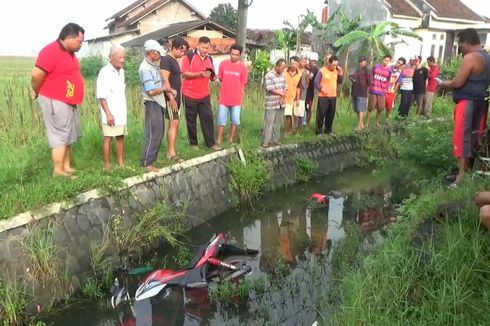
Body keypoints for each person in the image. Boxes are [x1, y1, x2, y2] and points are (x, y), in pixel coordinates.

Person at [31, 23, 85, 178]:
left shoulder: (70, 53)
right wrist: (36, 91)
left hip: (68, 101)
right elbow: (36, 76)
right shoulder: (50, 51)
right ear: (68, 37)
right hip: (55, 100)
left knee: (68, 133)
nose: (80, 45)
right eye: (79, 42)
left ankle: (66, 167)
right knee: (60, 134)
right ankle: (58, 170)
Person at [439, 28, 490, 186]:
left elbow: (458, 82)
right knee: (472, 137)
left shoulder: (471, 57)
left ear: (466, 43)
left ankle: (460, 179)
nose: (460, 49)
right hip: (480, 101)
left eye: (460, 46)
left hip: (468, 103)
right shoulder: (486, 57)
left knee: (463, 138)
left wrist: (443, 84)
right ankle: (463, 172)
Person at [181, 36, 220, 151]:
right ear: (198, 45)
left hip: (204, 94)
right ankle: (193, 144)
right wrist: (199, 74)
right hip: (189, 94)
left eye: (207, 48)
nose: (205, 50)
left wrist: (213, 77)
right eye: (203, 48)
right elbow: (184, 74)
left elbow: (211, 74)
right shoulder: (189, 57)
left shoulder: (210, 59)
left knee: (207, 119)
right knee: (191, 121)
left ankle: (211, 143)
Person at [139, 39, 168, 173]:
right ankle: (147, 163)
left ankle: (152, 159)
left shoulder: (153, 66)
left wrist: (166, 89)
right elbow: (151, 91)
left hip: (158, 102)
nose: (159, 56)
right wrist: (164, 88)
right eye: (157, 53)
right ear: (151, 53)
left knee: (159, 132)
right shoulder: (145, 68)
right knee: (153, 134)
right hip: (152, 103)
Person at [96, 45, 127, 171]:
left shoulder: (122, 71)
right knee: (108, 138)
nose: (122, 60)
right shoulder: (105, 72)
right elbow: (101, 96)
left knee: (120, 137)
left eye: (124, 57)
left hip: (121, 111)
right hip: (110, 112)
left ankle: (121, 163)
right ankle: (107, 165)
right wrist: (108, 114)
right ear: (111, 57)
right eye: (120, 57)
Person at [160, 37, 189, 163]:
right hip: (171, 98)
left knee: (175, 123)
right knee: (174, 123)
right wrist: (171, 98)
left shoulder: (174, 60)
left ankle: (170, 150)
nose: (183, 54)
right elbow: (165, 80)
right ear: (175, 48)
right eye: (182, 51)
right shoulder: (166, 60)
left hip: (177, 97)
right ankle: (171, 153)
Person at [216, 44, 248, 146]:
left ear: (240, 55)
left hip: (236, 100)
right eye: (232, 54)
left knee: (234, 120)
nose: (234, 56)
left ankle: (230, 140)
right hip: (224, 98)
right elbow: (220, 79)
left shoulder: (243, 68)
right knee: (221, 120)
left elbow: (243, 83)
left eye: (236, 55)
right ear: (230, 53)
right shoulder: (223, 64)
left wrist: (239, 94)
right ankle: (219, 140)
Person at [314, 55, 343, 137]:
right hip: (323, 96)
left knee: (331, 114)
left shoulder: (336, 71)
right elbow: (316, 82)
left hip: (333, 96)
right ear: (329, 63)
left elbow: (340, 82)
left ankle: (328, 130)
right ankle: (318, 131)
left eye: (336, 65)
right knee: (321, 114)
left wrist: (340, 73)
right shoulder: (322, 71)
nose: (335, 66)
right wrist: (321, 89)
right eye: (333, 65)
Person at [263, 59, 287, 148]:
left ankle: (275, 140)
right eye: (282, 68)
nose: (283, 70)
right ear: (277, 66)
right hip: (271, 103)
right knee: (269, 123)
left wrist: (283, 96)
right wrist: (280, 94)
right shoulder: (269, 75)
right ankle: (266, 141)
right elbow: (270, 89)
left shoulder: (283, 76)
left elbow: (285, 87)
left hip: (280, 103)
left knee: (278, 122)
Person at [366, 54, 391, 128]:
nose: (386, 62)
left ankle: (377, 123)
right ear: (382, 59)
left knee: (380, 108)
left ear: (389, 62)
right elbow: (370, 77)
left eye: (388, 61)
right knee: (370, 107)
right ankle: (367, 122)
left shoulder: (389, 71)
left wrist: (386, 88)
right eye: (385, 60)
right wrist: (370, 85)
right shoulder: (375, 67)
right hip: (373, 90)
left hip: (382, 92)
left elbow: (388, 80)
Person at [350, 56, 371, 130]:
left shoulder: (367, 70)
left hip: (362, 92)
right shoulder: (357, 70)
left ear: (365, 61)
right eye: (359, 61)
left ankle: (359, 126)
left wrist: (364, 86)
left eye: (362, 61)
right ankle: (361, 124)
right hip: (355, 91)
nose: (360, 63)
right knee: (356, 109)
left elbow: (370, 82)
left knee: (361, 109)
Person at [283, 56, 302, 136]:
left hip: (294, 97)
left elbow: (298, 87)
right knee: (287, 115)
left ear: (298, 64)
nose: (294, 65)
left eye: (296, 64)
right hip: (285, 97)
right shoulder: (284, 71)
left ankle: (295, 130)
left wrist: (297, 99)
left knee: (296, 115)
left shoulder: (299, 74)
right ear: (290, 63)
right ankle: (287, 130)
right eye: (292, 63)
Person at [385, 57, 404, 122]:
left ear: (402, 65)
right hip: (384, 89)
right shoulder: (389, 67)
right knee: (380, 105)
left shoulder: (400, 72)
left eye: (400, 64)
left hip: (391, 90)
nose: (398, 64)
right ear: (396, 61)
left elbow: (398, 82)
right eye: (398, 62)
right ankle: (377, 120)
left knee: (389, 106)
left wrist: (394, 92)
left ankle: (386, 119)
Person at [295, 55, 310, 134]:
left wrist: (303, 89)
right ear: (299, 61)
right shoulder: (295, 70)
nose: (303, 63)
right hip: (293, 94)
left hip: (302, 94)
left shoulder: (307, 72)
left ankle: (298, 130)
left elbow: (307, 84)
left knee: (300, 113)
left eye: (305, 62)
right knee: (293, 113)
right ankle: (292, 128)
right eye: (302, 61)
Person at [304, 52, 319, 128]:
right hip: (302, 92)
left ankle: (307, 124)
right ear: (309, 60)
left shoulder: (316, 70)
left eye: (315, 61)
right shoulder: (304, 67)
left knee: (308, 108)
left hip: (310, 93)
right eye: (312, 60)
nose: (314, 62)